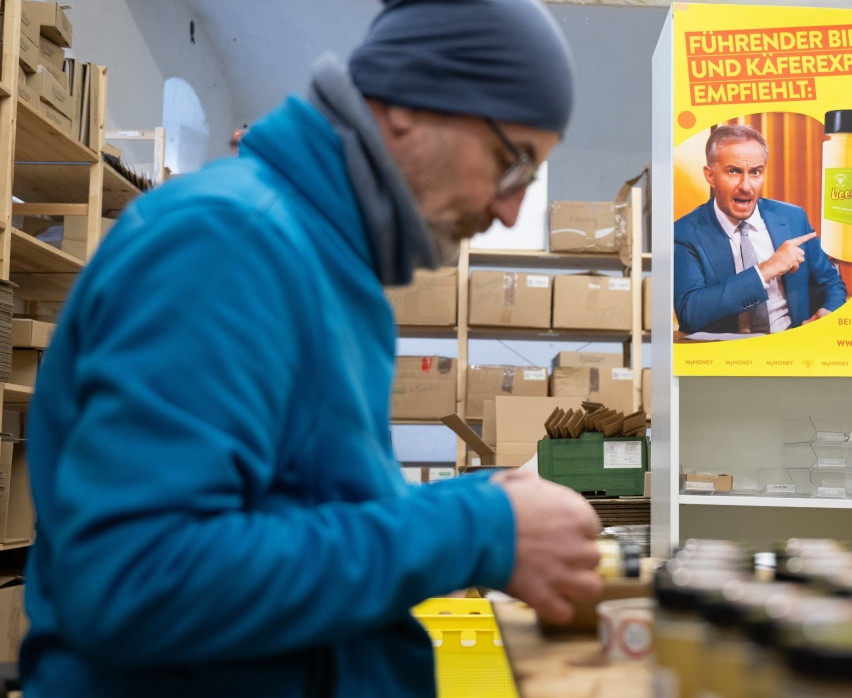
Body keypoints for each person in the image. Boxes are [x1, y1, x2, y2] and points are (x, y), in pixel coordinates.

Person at [20, 1, 603, 695]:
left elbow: (292, 509)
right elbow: (136, 578)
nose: (510, 209)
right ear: (412, 102)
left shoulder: (327, 268)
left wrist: (488, 502)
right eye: (514, 163)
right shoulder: (228, 243)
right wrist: (472, 528)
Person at [674, 123, 847, 335]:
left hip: (789, 350)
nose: (746, 186)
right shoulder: (685, 232)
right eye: (734, 171)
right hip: (724, 358)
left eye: (755, 172)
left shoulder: (793, 218)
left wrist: (827, 312)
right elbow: (690, 312)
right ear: (710, 176)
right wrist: (765, 270)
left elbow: (831, 282)